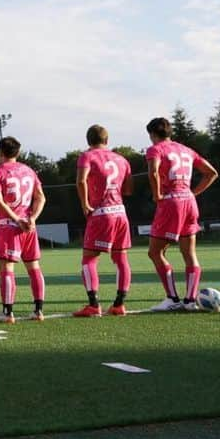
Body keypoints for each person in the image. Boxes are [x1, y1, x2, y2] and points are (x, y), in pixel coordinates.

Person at [144, 117, 218, 312]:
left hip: (171, 203)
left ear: (152, 134)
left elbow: (153, 172)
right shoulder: (186, 150)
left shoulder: (155, 149)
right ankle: (190, 301)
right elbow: (212, 173)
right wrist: (194, 193)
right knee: (189, 254)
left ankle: (172, 298)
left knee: (155, 252)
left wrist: (157, 194)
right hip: (189, 202)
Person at [73, 125, 134, 317]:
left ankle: (93, 305)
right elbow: (129, 190)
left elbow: (81, 180)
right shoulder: (122, 160)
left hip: (101, 213)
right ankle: (119, 304)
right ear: (107, 140)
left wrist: (85, 204)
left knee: (89, 259)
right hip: (121, 213)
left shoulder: (87, 156)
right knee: (121, 259)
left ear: (88, 141)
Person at [0, 137, 47, 324]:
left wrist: (16, 219)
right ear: (18, 153)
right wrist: (32, 218)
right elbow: (41, 198)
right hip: (29, 227)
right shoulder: (29, 171)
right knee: (34, 267)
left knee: (6, 268)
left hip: (9, 226)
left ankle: (7, 313)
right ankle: (38, 311)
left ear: (0, 152)